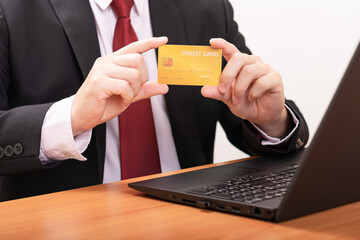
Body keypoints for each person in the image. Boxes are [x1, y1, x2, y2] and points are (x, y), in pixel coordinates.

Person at [0, 0, 309, 201]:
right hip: (66, 223)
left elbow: (249, 116)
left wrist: (272, 120)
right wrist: (71, 117)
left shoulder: (206, 8)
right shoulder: (10, 10)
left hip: (191, 217)